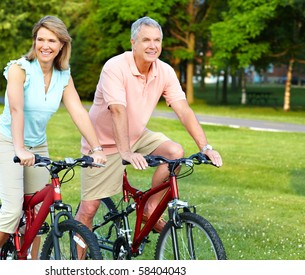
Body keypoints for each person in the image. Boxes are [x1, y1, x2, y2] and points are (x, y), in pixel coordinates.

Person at [75, 16, 222, 234]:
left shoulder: (164, 71)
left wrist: (205, 147)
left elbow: (183, 110)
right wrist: (125, 152)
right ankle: (75, 267)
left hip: (136, 135)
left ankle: (150, 208)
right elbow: (117, 109)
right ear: (133, 43)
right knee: (88, 209)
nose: (152, 46)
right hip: (102, 144)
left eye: (157, 40)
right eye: (146, 40)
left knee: (175, 152)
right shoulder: (114, 67)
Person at [0, 15, 106, 260]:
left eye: (52, 40)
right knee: (11, 212)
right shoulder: (19, 70)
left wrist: (97, 147)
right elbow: (17, 110)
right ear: (34, 41)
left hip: (37, 144)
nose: (45, 45)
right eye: (41, 39)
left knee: (39, 212)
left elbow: (78, 112)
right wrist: (19, 148)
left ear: (62, 45)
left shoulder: (63, 76)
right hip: (7, 141)